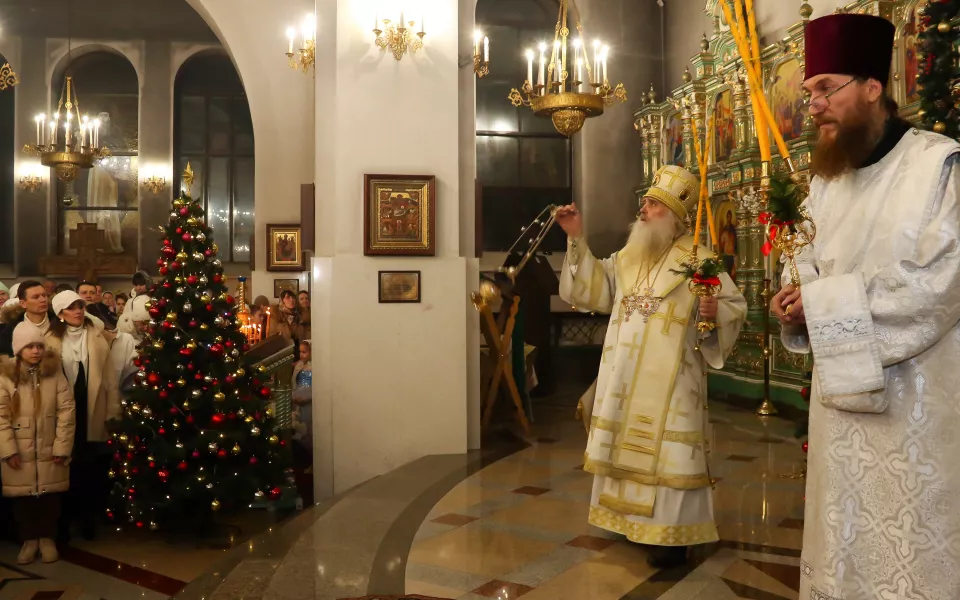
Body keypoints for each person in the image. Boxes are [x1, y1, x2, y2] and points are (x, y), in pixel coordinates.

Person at [769, 14, 960, 600]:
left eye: (826, 88)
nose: (814, 106)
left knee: (910, 549)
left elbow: (940, 281)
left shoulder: (938, 165)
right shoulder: (828, 180)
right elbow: (807, 260)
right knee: (842, 538)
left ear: (873, 86)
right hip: (841, 412)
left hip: (918, 411)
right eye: (809, 94)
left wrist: (821, 304)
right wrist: (793, 296)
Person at [556, 165, 747, 568]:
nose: (642, 208)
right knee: (623, 440)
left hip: (672, 379)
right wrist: (576, 238)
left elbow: (733, 308)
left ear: (674, 215)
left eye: (653, 203)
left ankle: (671, 536)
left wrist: (712, 311)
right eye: (644, 201)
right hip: (623, 374)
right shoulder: (628, 256)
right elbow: (594, 290)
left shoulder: (700, 259)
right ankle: (625, 521)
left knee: (668, 454)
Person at [46, 291, 121, 540]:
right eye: (71, 307)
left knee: (91, 466)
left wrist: (113, 411)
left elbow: (109, 378)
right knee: (66, 465)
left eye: (80, 306)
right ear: (60, 314)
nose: (77, 311)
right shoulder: (50, 340)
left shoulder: (97, 337)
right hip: (64, 411)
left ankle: (89, 519)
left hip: (93, 408)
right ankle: (65, 521)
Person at [0, 322, 75, 564]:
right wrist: (7, 450)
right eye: (29, 346)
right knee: (23, 501)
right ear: (18, 349)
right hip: (19, 451)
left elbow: (67, 412)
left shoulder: (54, 375)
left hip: (49, 446)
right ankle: (29, 539)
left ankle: (47, 539)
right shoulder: (5, 378)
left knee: (50, 498)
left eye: (39, 346)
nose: (35, 351)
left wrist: (62, 447)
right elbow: (0, 417)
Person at [0, 281, 57, 357]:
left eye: (44, 295)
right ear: (23, 303)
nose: (43, 300)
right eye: (36, 297)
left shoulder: (59, 324)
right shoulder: (11, 330)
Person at [292, 340, 313, 451]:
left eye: (304, 352)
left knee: (310, 430)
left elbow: (315, 387)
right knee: (299, 430)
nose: (301, 355)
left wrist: (307, 398)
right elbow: (295, 383)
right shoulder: (299, 365)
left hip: (310, 404)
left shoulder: (315, 367)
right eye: (300, 352)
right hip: (299, 402)